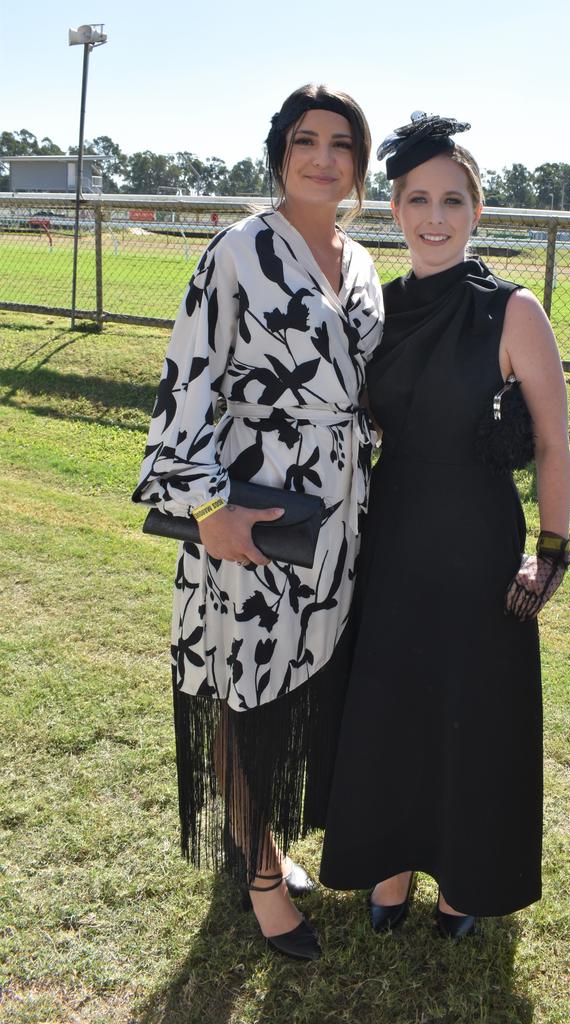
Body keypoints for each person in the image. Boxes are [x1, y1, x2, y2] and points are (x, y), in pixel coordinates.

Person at [133, 84, 383, 961]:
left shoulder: (361, 262)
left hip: (338, 528)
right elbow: (183, 387)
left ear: (359, 163)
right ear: (279, 151)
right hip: (256, 523)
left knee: (298, 690)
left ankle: (264, 836)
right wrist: (207, 511)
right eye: (305, 139)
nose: (324, 157)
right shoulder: (238, 251)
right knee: (247, 694)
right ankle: (264, 879)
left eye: (341, 143)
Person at [319, 113, 570, 938]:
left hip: (479, 546)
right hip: (391, 536)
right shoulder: (375, 310)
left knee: (471, 712)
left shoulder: (514, 311)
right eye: (419, 199)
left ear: (477, 212)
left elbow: (552, 444)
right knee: (391, 704)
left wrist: (551, 554)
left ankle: (464, 883)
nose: (435, 217)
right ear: (393, 209)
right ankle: (387, 869)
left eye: (453, 201)